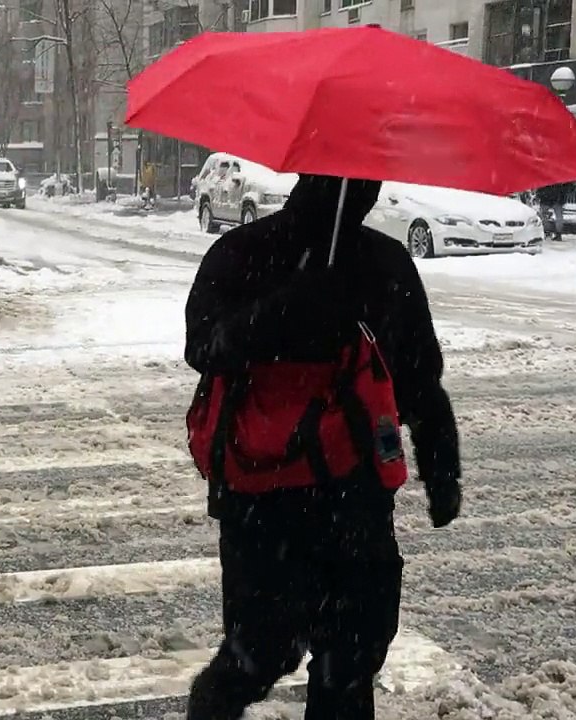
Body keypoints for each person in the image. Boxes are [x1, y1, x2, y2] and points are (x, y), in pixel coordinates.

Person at [182, 174, 463, 720]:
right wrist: (289, 309)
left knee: (309, 657)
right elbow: (204, 347)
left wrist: (441, 466)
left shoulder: (370, 263)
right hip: (300, 503)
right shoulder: (259, 253)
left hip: (308, 502)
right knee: (293, 658)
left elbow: (417, 380)